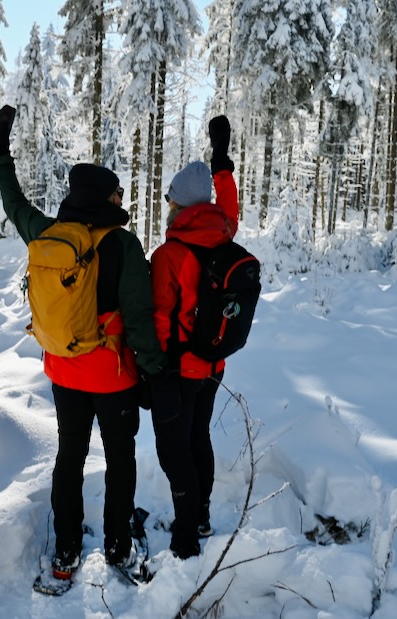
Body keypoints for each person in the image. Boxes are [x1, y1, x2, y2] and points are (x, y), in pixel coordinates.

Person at [0, 105, 175, 579]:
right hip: (112, 378)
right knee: (119, 460)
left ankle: (67, 550)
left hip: (64, 372)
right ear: (104, 196)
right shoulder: (122, 245)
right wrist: (153, 372)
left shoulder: (50, 233)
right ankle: (117, 547)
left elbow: (14, 205)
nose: (120, 199)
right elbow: (138, 318)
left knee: (69, 458)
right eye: (117, 193)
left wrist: (0, 152)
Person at [148, 115, 238, 559]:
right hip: (214, 365)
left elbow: (162, 318)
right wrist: (221, 158)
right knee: (198, 437)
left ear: (179, 206)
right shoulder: (223, 233)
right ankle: (199, 516)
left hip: (181, 368)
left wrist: (158, 372)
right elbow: (231, 205)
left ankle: (185, 538)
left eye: (170, 202)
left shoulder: (170, 254)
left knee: (173, 450)